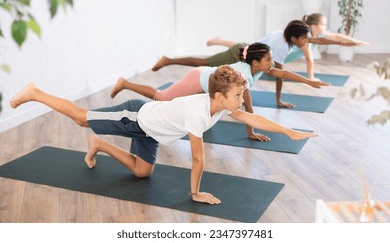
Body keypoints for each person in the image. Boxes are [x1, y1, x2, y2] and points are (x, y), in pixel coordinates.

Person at [10, 66, 317, 205]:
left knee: (142, 173)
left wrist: (288, 131)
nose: (242, 100)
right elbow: (197, 158)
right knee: (80, 118)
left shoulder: (221, 106)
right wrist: (195, 193)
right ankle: (35, 92)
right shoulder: (200, 113)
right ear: (220, 95)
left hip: (152, 130)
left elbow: (253, 117)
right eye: (238, 95)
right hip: (135, 117)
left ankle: (99, 144)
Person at [111, 42, 330, 141]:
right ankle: (125, 84)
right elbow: (242, 103)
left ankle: (251, 132)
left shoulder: (257, 70)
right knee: (162, 96)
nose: (271, 63)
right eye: (268, 59)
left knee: (247, 107)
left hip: (209, 81)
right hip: (198, 78)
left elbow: (282, 75)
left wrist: (310, 82)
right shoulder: (242, 72)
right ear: (255, 62)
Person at [152, 18, 365, 107]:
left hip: (252, 52)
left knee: (210, 74)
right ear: (294, 39)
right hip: (242, 53)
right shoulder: (280, 50)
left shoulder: (291, 37)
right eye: (304, 40)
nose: (307, 43)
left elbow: (318, 39)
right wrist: (279, 100)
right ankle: (168, 60)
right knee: (202, 62)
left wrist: (345, 43)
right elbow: (280, 76)